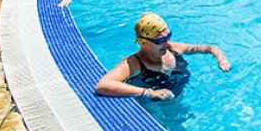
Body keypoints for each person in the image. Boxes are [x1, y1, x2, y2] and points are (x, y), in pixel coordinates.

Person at [95, 12, 231, 100]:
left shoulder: (172, 48)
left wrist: (221, 59)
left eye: (168, 36)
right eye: (160, 40)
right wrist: (149, 92)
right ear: (143, 43)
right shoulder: (134, 63)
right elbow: (103, 85)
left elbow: (210, 48)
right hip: (155, 108)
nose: (166, 42)